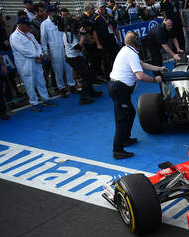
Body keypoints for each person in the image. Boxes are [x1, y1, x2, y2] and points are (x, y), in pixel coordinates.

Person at [108, 31, 164, 159]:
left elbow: (142, 64)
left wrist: (158, 68)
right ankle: (118, 149)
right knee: (122, 118)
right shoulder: (131, 54)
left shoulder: (126, 50)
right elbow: (140, 75)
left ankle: (125, 138)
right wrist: (155, 80)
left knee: (130, 112)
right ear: (136, 42)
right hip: (119, 88)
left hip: (118, 87)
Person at [10, 16, 55, 112]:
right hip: (25, 64)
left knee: (41, 81)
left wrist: (40, 54)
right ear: (21, 25)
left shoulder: (30, 35)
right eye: (27, 26)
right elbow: (23, 50)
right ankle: (34, 102)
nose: (29, 27)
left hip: (36, 61)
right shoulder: (14, 37)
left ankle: (45, 99)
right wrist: (37, 56)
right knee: (29, 83)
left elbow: (37, 45)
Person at [63, 10, 102, 105]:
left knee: (89, 74)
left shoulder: (73, 32)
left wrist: (86, 37)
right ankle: (83, 99)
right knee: (86, 77)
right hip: (74, 58)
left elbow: (85, 42)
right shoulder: (68, 35)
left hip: (78, 57)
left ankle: (91, 92)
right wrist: (83, 36)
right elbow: (78, 47)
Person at [41, 5, 77, 97]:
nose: (53, 13)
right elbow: (43, 39)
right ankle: (61, 88)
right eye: (51, 12)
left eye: (54, 11)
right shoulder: (44, 24)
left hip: (65, 46)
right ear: (48, 13)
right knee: (58, 70)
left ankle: (72, 85)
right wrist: (45, 52)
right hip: (54, 50)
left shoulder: (62, 20)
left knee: (69, 67)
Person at [93, 0, 120, 79]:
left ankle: (118, 74)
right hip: (103, 43)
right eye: (101, 7)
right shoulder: (95, 18)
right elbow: (94, 32)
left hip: (112, 41)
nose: (103, 8)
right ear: (98, 8)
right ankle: (108, 77)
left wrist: (119, 40)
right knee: (106, 61)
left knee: (116, 59)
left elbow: (115, 28)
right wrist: (98, 44)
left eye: (104, 7)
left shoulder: (109, 16)